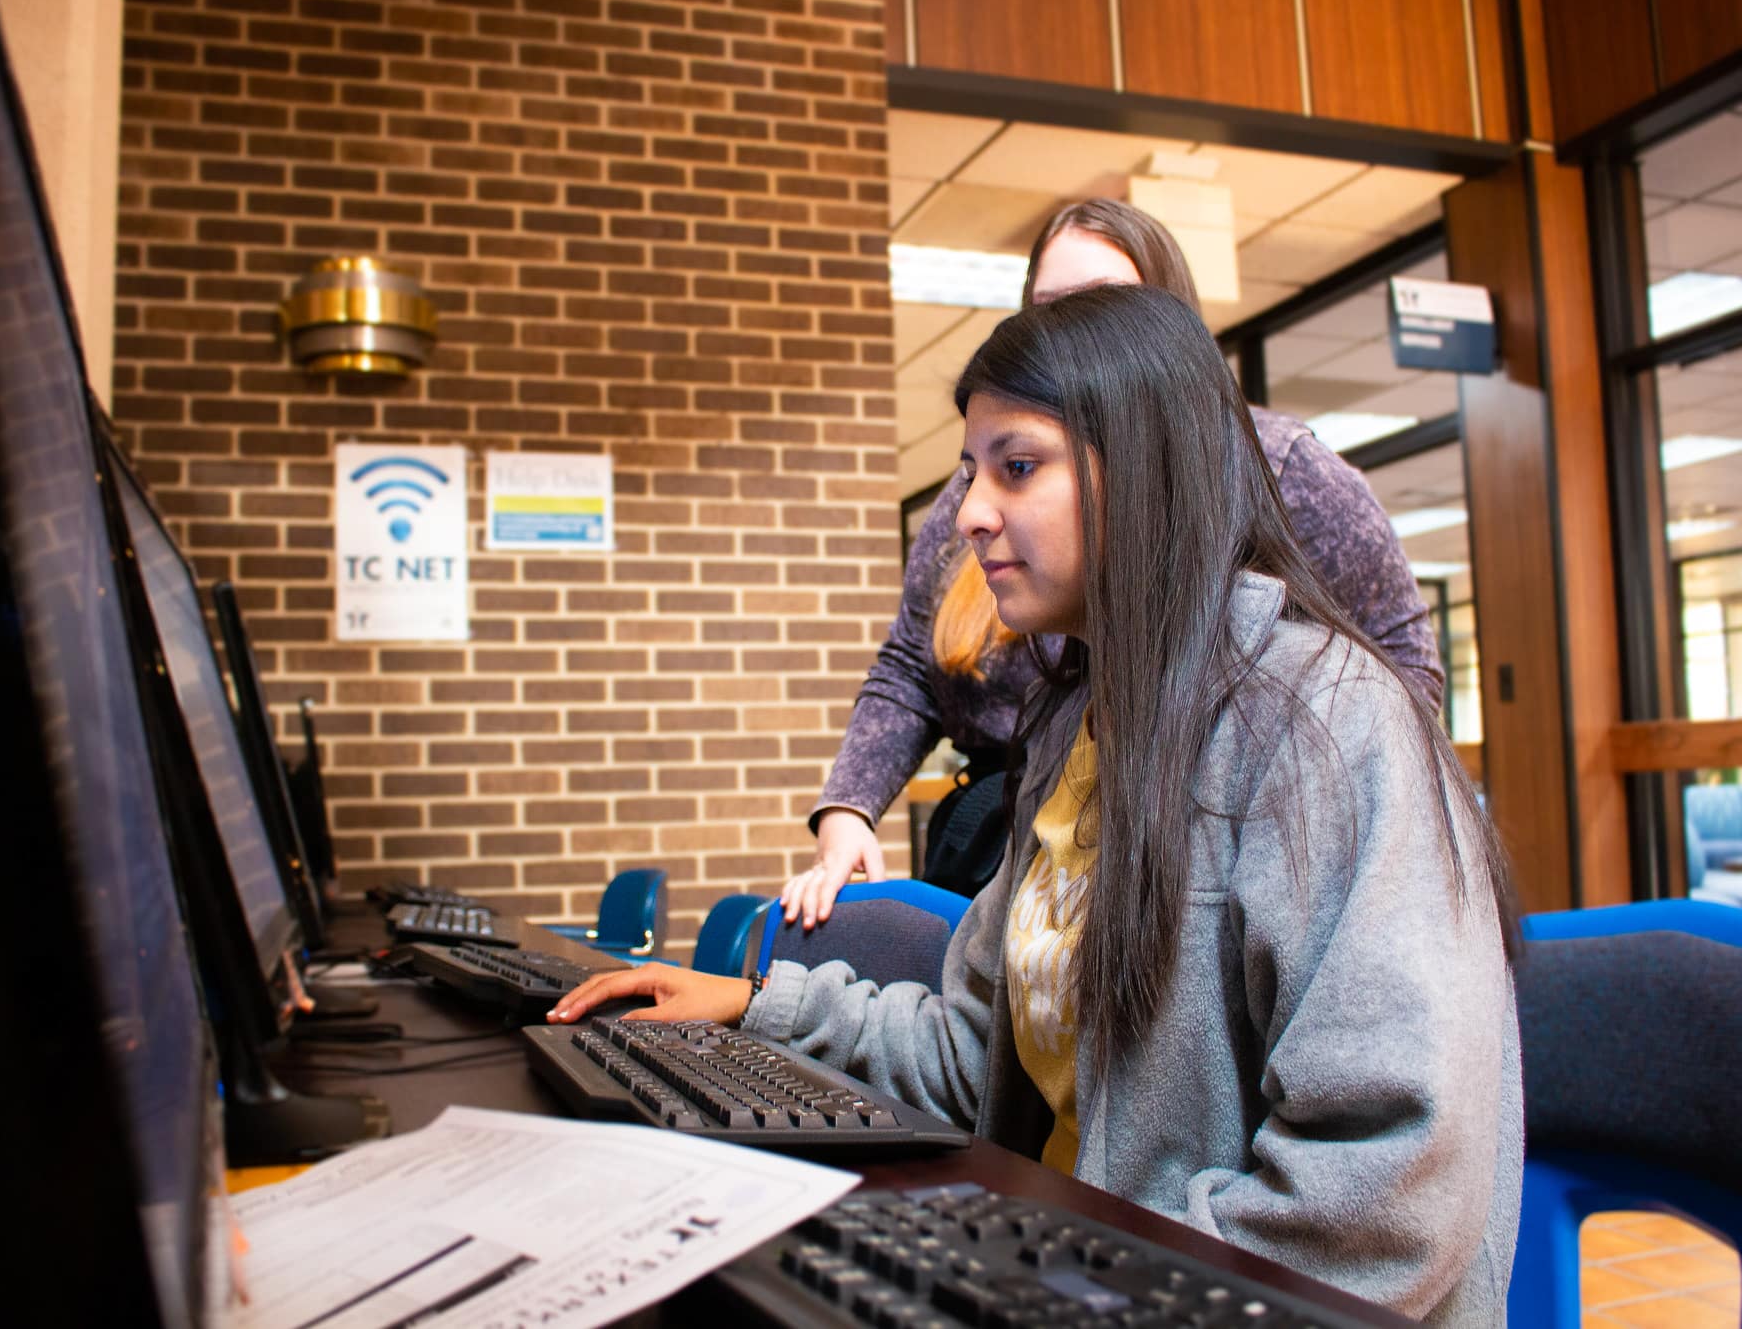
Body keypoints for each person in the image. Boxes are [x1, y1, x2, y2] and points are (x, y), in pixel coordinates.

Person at [551, 286, 1523, 1326]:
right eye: (973, 473)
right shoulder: (1077, 727)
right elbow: (978, 1052)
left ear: (1145, 470)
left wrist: (1087, 1288)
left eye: (1017, 467)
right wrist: (752, 1009)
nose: (968, 513)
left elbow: (1388, 1189)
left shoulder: (1323, 724)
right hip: (1070, 1274)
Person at [785, 198, 1443, 926]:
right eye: (1047, 307)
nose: (982, 506)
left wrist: (1281, 832)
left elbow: (1398, 671)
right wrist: (848, 810)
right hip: (1012, 840)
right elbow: (910, 662)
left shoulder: (1278, 467)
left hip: (1185, 848)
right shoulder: (977, 495)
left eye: (1101, 302)